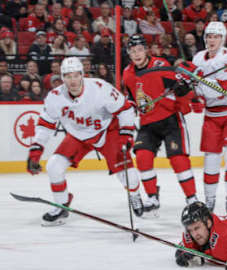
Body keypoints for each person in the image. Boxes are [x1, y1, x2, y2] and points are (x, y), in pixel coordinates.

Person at [26, 57, 145, 226]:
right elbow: (45, 125)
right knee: (54, 166)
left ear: (82, 74)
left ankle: (134, 195)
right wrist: (35, 152)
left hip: (107, 131)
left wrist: (126, 135)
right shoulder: (55, 97)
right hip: (78, 136)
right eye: (68, 76)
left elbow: (125, 110)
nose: (72, 81)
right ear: (62, 77)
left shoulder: (99, 88)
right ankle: (61, 205)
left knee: (128, 176)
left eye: (76, 75)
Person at [122, 34, 200, 216]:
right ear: (129, 53)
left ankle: (192, 199)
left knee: (178, 160)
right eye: (133, 51)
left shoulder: (161, 65)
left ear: (146, 50)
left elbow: (184, 84)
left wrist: (184, 89)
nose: (137, 54)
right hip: (148, 123)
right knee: (142, 157)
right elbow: (132, 100)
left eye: (140, 49)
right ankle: (152, 197)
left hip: (170, 119)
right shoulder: (127, 74)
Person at [188, 22, 227, 214]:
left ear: (222, 39)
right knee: (211, 158)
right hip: (213, 114)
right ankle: (209, 201)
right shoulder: (198, 57)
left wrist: (200, 82)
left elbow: (219, 89)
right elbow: (197, 88)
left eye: (216, 37)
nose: (211, 40)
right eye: (209, 36)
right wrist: (196, 96)